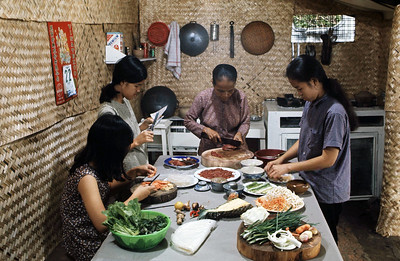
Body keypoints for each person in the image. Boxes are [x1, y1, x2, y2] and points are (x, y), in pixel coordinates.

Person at [265, 55, 358, 244]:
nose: (299, 93)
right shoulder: (310, 103)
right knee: (308, 233)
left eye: (300, 88)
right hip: (310, 182)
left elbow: (328, 159)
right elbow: (304, 139)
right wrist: (281, 159)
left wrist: (289, 168)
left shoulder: (335, 112)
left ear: (314, 82)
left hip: (327, 189)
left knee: (325, 238)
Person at [60, 114, 156, 261]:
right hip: (87, 244)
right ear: (110, 151)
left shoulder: (94, 164)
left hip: (95, 236)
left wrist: (133, 173)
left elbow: (106, 188)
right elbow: (101, 223)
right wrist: (135, 197)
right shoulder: (86, 177)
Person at [98, 55, 154, 172]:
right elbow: (110, 151)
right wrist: (136, 142)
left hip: (139, 167)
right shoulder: (108, 112)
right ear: (123, 83)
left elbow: (123, 135)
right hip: (125, 174)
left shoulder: (125, 101)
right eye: (136, 86)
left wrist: (141, 127)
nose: (139, 90)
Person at [184, 64, 250, 155]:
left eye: (230, 90)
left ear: (235, 83)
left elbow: (245, 122)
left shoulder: (240, 97)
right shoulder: (203, 97)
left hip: (235, 148)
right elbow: (188, 120)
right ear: (212, 83)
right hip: (209, 149)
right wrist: (205, 129)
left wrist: (240, 133)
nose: (226, 95)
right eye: (220, 91)